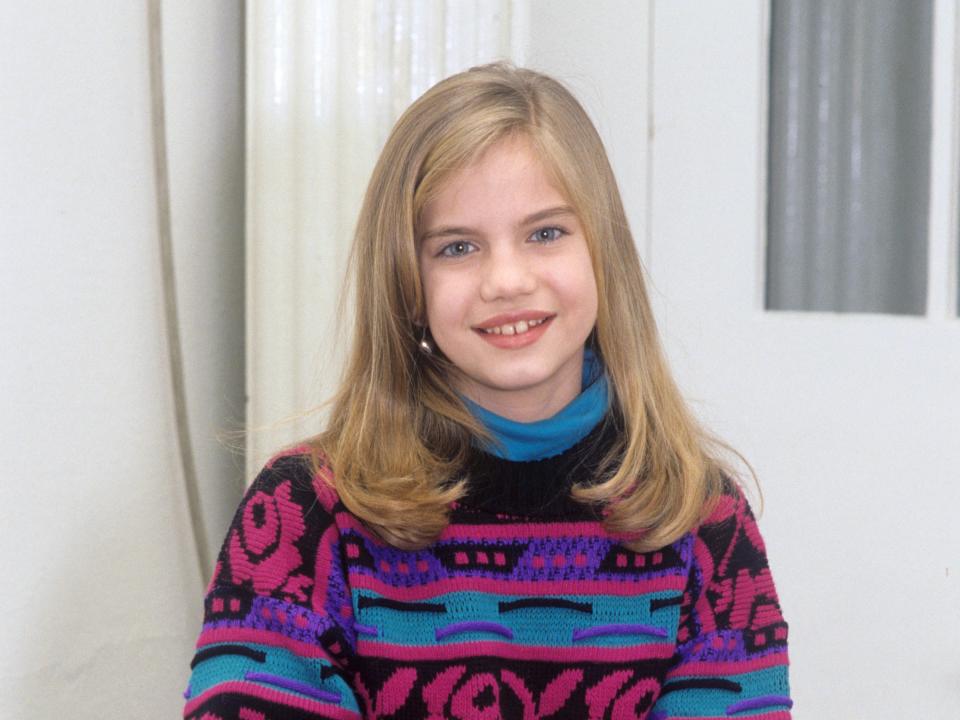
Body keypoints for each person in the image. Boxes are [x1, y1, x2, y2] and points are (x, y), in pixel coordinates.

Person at [183, 62, 791, 720]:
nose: (506, 279)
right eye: (457, 247)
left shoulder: (701, 518)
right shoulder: (307, 515)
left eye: (546, 233)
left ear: (604, 256)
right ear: (406, 287)